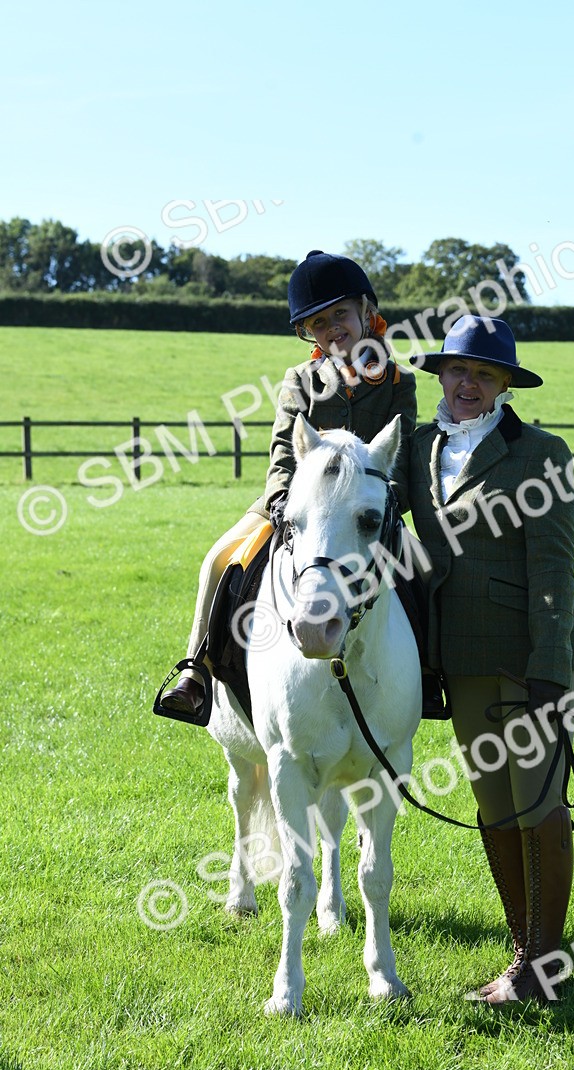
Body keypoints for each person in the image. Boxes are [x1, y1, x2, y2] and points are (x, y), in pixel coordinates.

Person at [395, 315, 574, 1004]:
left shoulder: (540, 452)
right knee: (495, 806)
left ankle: (543, 966)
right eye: (457, 371)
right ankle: (523, 952)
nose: (468, 383)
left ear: (505, 383)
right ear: (440, 376)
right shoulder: (414, 450)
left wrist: (549, 670)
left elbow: (553, 571)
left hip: (530, 656)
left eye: (484, 373)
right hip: (460, 656)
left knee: (538, 804)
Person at [159, 250, 421, 720]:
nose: (332, 328)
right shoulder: (299, 379)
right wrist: (283, 504)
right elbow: (284, 451)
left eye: (340, 314)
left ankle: (432, 675)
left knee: (422, 576)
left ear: (366, 310)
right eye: (318, 322)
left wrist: (385, 504)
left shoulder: (399, 382)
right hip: (296, 506)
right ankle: (195, 669)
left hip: (366, 511)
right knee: (218, 560)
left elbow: (401, 456)